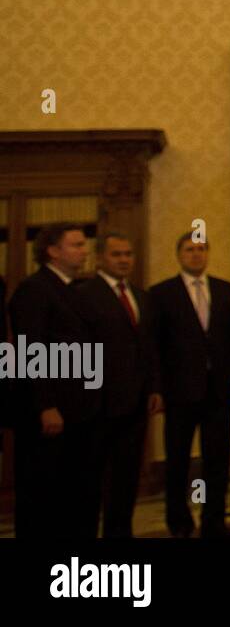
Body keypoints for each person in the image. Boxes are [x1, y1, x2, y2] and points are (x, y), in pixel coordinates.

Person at [150, 233, 230, 538]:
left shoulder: (224, 289)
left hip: (218, 388)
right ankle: (179, 523)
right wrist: (156, 388)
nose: (195, 255)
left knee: (217, 461)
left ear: (208, 253)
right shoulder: (161, 293)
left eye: (201, 249)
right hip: (179, 390)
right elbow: (153, 346)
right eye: (189, 250)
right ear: (179, 254)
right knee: (178, 461)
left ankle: (214, 522)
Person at [6, 224, 101, 538]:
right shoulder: (34, 289)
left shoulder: (73, 289)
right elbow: (29, 351)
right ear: (53, 251)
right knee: (43, 499)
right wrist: (45, 405)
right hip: (50, 414)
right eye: (76, 245)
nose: (84, 251)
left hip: (80, 412)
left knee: (77, 495)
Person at [78, 233, 161, 538]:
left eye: (128, 254)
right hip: (97, 405)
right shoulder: (84, 295)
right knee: (93, 478)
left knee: (126, 478)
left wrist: (154, 388)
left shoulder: (142, 297)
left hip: (136, 403)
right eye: (117, 255)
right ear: (100, 258)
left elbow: (149, 347)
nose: (124, 260)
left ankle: (120, 533)